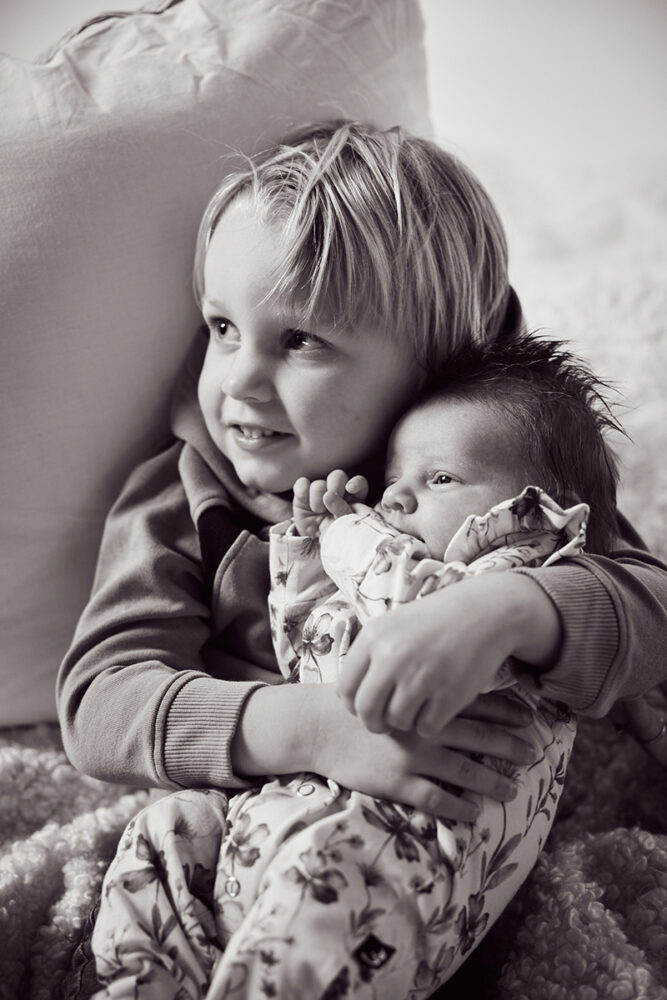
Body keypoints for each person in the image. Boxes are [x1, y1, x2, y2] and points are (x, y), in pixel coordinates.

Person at [56, 121, 667, 998]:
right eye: (222, 327)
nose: (238, 380)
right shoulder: (184, 495)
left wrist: (505, 609)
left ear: (433, 366)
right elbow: (100, 701)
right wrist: (311, 728)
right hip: (245, 835)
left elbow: (646, 601)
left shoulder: (483, 470)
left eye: (299, 341)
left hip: (421, 865)